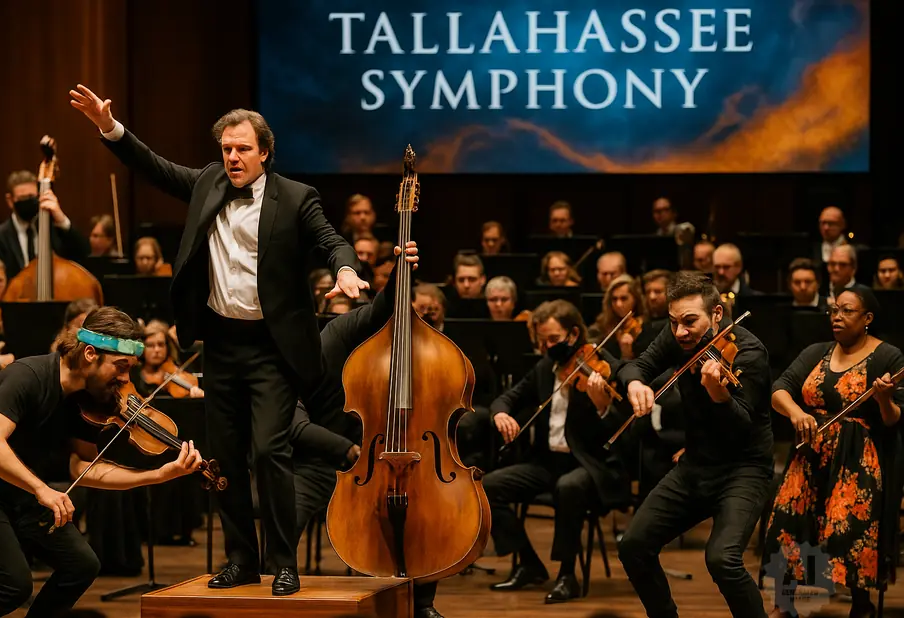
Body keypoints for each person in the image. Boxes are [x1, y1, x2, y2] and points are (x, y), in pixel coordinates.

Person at [70, 83, 364, 595]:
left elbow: (330, 239)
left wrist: (344, 270)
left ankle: (282, 561)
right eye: (226, 148)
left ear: (264, 151)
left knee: (271, 451)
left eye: (242, 148)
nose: (232, 157)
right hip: (221, 344)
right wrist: (108, 128)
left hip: (271, 347)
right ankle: (241, 560)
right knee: (222, 459)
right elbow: (154, 166)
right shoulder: (207, 183)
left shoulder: (295, 197)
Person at [0, 307, 204, 618]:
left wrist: (159, 474)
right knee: (12, 584)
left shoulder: (87, 401)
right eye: (120, 366)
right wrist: (41, 489)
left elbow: (83, 469)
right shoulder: (27, 376)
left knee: (82, 565)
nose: (125, 379)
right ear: (90, 353)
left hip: (18, 491)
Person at [289, 243, 447, 618]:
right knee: (286, 514)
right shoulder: (324, 342)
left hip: (384, 460)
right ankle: (276, 590)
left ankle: (422, 603)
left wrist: (399, 269)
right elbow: (293, 424)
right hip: (321, 463)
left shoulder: (376, 338)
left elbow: (380, 308)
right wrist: (347, 450)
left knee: (424, 513)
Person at [616, 271, 774, 618]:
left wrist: (719, 394)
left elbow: (741, 424)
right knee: (633, 546)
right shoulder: (679, 337)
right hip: (696, 463)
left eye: (689, 321)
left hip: (743, 469)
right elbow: (635, 366)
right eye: (673, 322)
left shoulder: (749, 352)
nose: (680, 332)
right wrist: (635, 385)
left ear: (717, 314)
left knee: (722, 560)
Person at [763, 286, 903, 618]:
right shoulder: (816, 352)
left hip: (857, 458)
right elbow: (780, 388)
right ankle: (785, 603)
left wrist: (883, 397)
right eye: (834, 311)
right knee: (789, 520)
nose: (837, 317)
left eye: (847, 311)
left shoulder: (888, 356)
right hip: (810, 453)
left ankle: (860, 601)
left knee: (848, 529)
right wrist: (797, 413)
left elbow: (893, 418)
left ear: (867, 318)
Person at [486, 300, 628, 604]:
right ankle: (528, 562)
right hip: (547, 463)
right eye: (542, 340)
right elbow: (507, 398)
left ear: (574, 334)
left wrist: (602, 405)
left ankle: (566, 575)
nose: (546, 346)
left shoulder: (603, 364)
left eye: (553, 339)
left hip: (587, 465)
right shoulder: (545, 367)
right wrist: (501, 414)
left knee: (569, 487)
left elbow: (624, 430)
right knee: (486, 488)